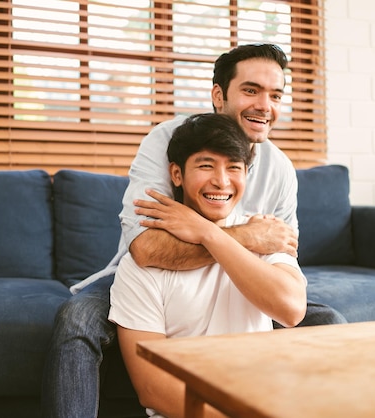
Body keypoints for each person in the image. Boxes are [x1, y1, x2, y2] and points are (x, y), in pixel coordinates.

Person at [41, 43, 346, 418]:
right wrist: (247, 237)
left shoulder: (280, 169)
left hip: (241, 276)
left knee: (329, 323)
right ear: (219, 95)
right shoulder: (168, 142)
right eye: (250, 91)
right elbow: (148, 249)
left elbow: (283, 260)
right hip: (160, 273)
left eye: (275, 95)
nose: (265, 106)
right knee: (75, 321)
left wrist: (210, 234)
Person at [109, 113, 308, 418]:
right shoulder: (141, 266)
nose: (221, 181)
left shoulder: (263, 235)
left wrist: (208, 233)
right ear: (177, 174)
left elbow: (291, 309)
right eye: (206, 165)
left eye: (234, 167)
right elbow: (152, 387)